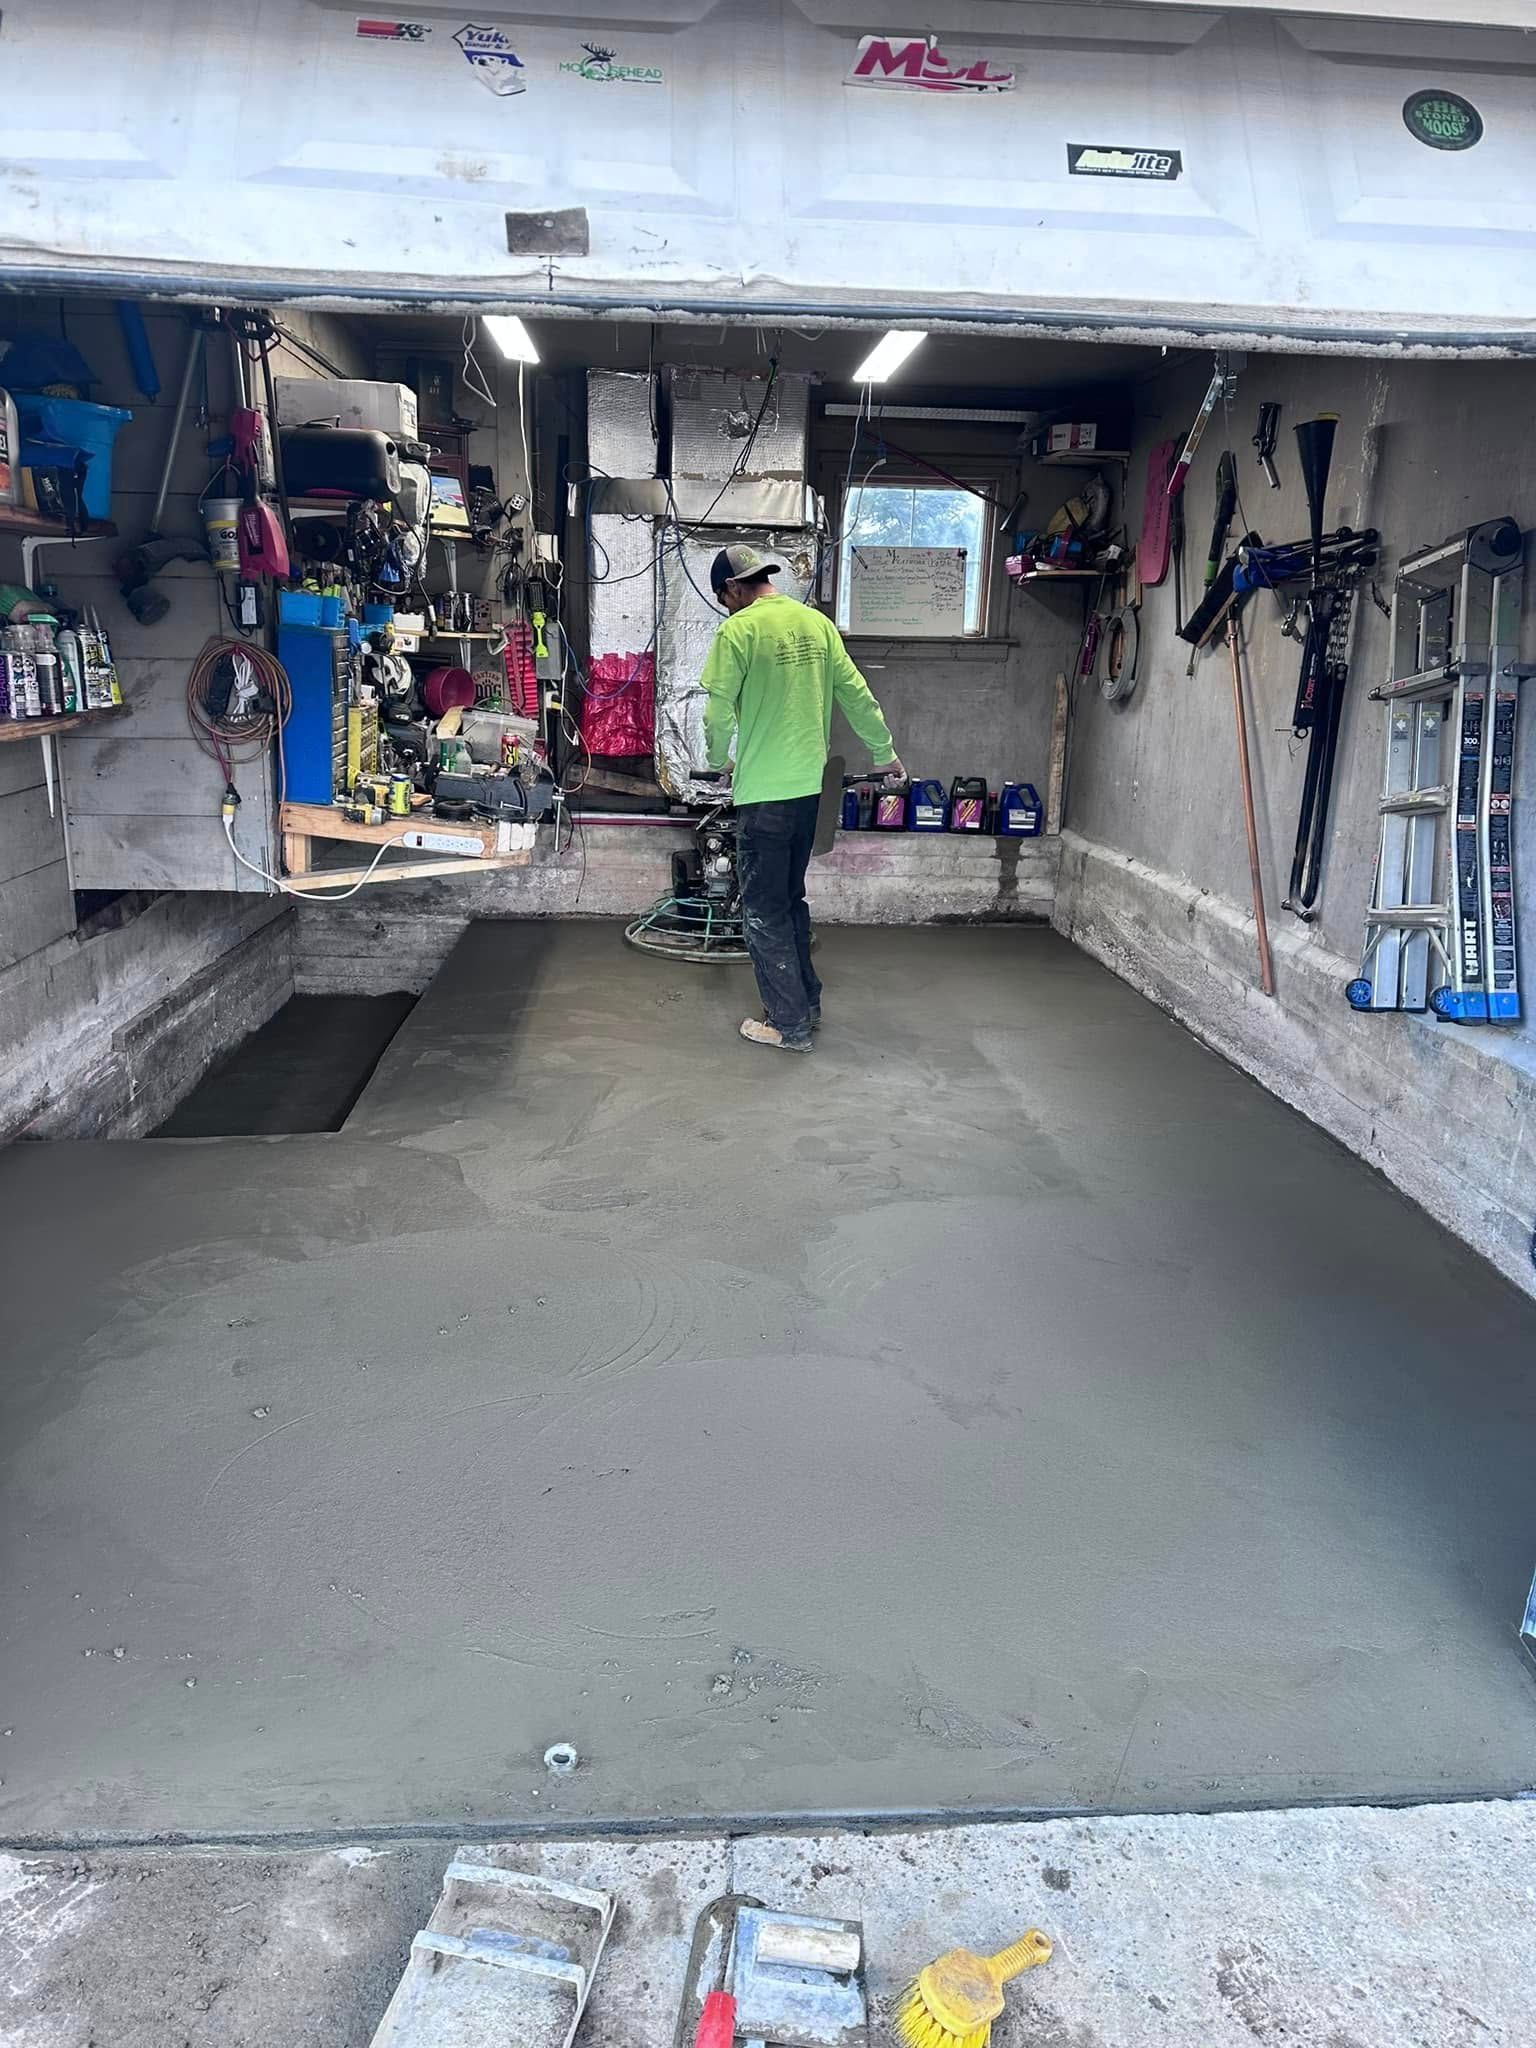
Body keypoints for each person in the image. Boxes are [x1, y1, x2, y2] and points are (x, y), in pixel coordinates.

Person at [698, 544, 903, 1053]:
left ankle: (787, 1025)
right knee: (790, 901)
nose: (726, 607)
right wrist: (885, 754)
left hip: (763, 799)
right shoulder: (817, 625)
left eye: (723, 598)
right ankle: (807, 1003)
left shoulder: (739, 630)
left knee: (764, 911)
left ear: (732, 589)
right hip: (810, 793)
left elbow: (718, 712)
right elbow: (856, 694)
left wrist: (719, 758)